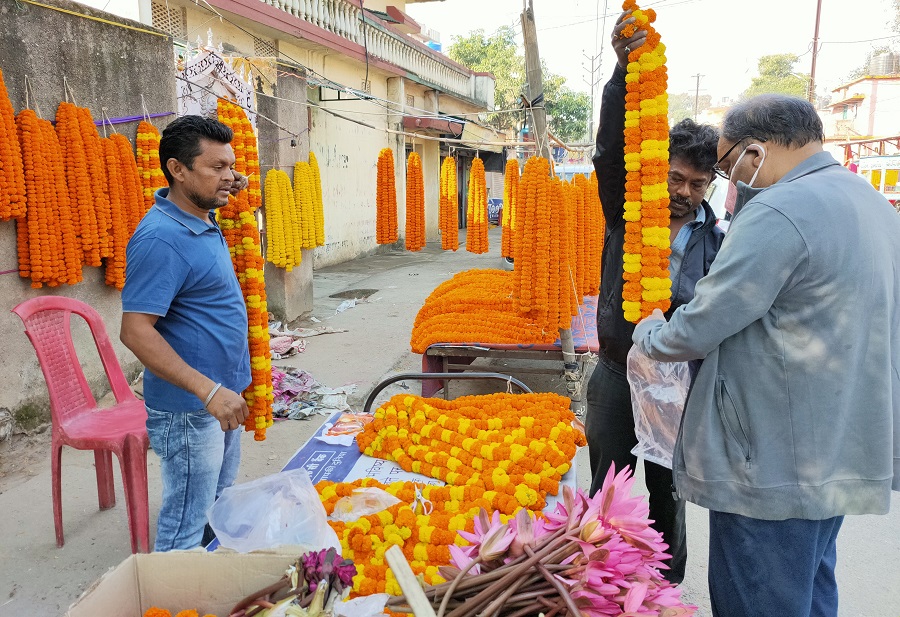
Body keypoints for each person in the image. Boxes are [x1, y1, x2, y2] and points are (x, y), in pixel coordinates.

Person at [632, 94, 900, 617]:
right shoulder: (869, 202)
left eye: (728, 164)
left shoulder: (780, 208)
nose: (731, 180)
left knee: (759, 595)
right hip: (840, 444)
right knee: (809, 587)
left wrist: (651, 333)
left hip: (775, 458)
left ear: (754, 152)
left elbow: (704, 321)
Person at [585, 10, 724, 584]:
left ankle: (663, 592)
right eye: (674, 179)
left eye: (697, 184)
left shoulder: (720, 243)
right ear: (655, 173)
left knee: (669, 500)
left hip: (679, 388)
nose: (684, 194)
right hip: (618, 375)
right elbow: (608, 153)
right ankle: (597, 586)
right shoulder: (626, 211)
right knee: (605, 497)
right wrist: (622, 77)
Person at [120, 115, 251, 551]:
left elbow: (225, 181)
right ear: (177, 169)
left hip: (221, 397)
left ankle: (204, 588)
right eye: (217, 168)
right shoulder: (161, 238)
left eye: (231, 167)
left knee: (215, 508)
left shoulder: (199, 211)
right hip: (192, 408)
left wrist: (224, 179)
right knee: (184, 527)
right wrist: (207, 391)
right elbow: (135, 332)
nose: (229, 177)